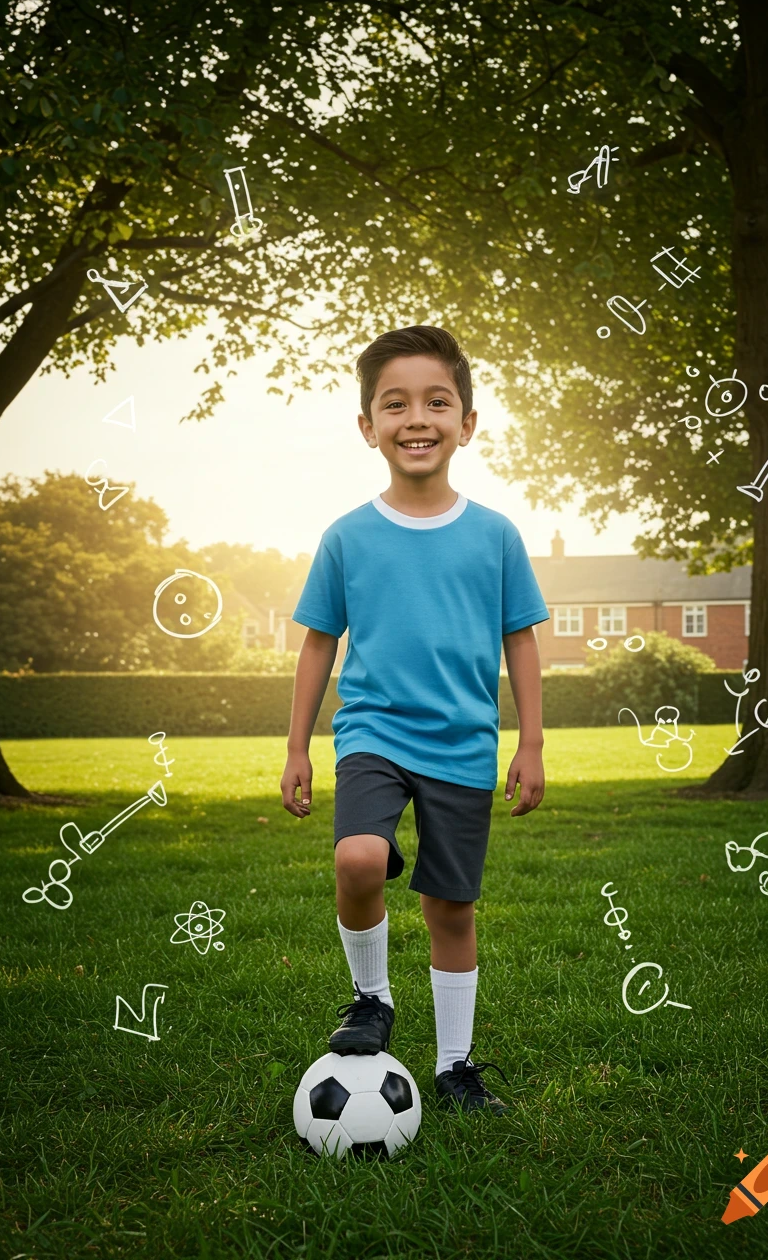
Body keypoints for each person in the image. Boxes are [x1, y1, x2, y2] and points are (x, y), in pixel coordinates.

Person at [280, 325, 550, 1114]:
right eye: (395, 404)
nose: (417, 418)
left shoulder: (495, 534)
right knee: (360, 859)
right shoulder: (348, 536)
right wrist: (297, 744)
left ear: (468, 422)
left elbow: (521, 642)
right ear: (369, 427)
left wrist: (531, 742)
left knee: (450, 909)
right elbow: (316, 645)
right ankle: (371, 998)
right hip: (372, 733)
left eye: (438, 401)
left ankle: (455, 1068)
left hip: (464, 744)